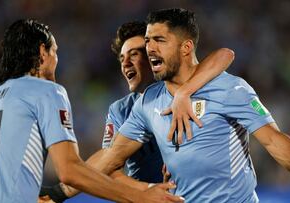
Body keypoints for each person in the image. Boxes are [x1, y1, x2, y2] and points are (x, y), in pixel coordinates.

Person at [84, 8, 290, 203]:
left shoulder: (229, 88)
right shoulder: (148, 103)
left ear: (186, 48)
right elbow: (109, 159)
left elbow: (274, 142)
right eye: (149, 40)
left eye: (159, 40)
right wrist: (61, 190)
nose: (150, 48)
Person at [0, 19, 185, 203]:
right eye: (55, 52)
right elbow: (71, 169)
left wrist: (59, 191)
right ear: (43, 52)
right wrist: (141, 196)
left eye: (134, 54)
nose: (57, 61)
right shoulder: (46, 91)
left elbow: (110, 155)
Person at [39, 20, 235, 202]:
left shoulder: (182, 88)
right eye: (122, 58)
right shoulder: (120, 110)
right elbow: (110, 162)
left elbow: (224, 55)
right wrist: (150, 190)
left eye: (134, 54)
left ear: (153, 54)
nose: (125, 64)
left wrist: (184, 92)